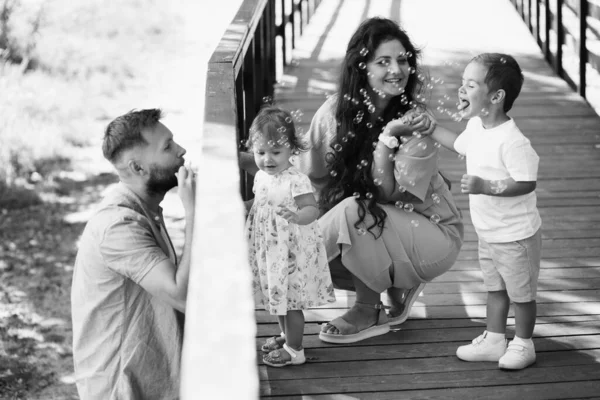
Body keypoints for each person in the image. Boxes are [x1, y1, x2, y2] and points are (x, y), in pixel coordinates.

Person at [240, 17, 464, 344]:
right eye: (383, 61)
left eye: (402, 60)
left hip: (432, 236)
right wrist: (255, 196)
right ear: (361, 67)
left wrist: (388, 136)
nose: (396, 69)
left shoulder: (416, 125)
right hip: (381, 231)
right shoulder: (334, 113)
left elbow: (386, 194)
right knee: (298, 227)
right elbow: (308, 181)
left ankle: (367, 309)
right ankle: (393, 281)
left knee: (349, 213)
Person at [71, 108, 195, 399]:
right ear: (138, 168)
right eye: (168, 147)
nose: (182, 151)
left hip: (145, 377)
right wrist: (194, 213)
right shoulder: (119, 225)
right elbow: (183, 295)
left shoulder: (145, 206)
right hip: (121, 387)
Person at [430, 53, 542, 370]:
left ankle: (523, 344)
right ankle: (495, 340)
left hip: (516, 235)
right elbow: (458, 144)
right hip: (490, 232)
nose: (461, 90)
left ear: (495, 96)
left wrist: (485, 186)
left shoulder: (513, 141)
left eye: (470, 84)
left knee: (521, 295)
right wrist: (430, 127)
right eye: (462, 84)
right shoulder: (477, 127)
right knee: (495, 289)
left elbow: (526, 182)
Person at [244, 106, 336, 367]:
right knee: (277, 299)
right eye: (260, 152)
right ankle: (286, 336)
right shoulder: (261, 176)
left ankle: (296, 350)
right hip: (270, 249)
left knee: (291, 302)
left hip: (290, 251)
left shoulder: (296, 180)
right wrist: (245, 206)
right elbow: (261, 203)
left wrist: (297, 216)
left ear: (292, 149)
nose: (267, 159)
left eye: (276, 152)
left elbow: (312, 209)